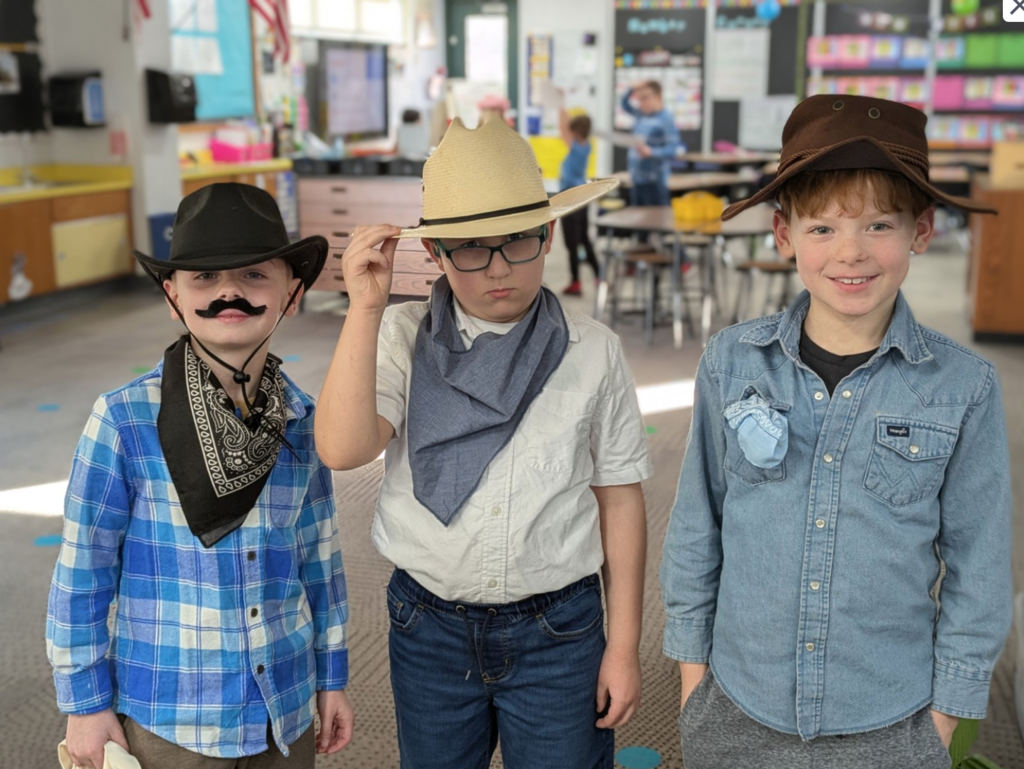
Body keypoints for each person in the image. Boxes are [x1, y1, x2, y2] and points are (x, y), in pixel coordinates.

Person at [661, 94, 1011, 769]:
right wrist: (692, 682)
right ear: (784, 234)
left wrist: (940, 721)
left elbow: (981, 566)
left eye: (879, 224)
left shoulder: (964, 388)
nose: (850, 253)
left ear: (921, 229)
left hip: (890, 720)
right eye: (822, 229)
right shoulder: (730, 361)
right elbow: (696, 527)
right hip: (735, 706)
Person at [315, 114, 652, 769]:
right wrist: (363, 308)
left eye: (518, 241)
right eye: (471, 247)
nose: (498, 269)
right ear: (436, 254)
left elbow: (620, 497)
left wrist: (624, 644)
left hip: (561, 626)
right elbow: (341, 447)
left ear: (549, 234)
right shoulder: (401, 337)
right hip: (429, 623)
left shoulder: (594, 351)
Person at [46, 183, 354, 769]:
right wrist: (84, 703)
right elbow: (83, 568)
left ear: (292, 294)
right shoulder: (125, 420)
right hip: (170, 716)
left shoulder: (305, 419)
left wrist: (331, 674)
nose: (230, 292)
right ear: (173, 296)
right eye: (204, 279)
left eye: (254, 275)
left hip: (281, 711)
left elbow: (321, 556)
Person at [557, 100, 600, 296]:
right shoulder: (586, 146)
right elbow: (567, 128)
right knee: (584, 239)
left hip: (571, 199)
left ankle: (575, 282)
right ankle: (599, 275)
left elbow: (563, 127)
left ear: (575, 131)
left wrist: (560, 105)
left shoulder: (576, 147)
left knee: (571, 244)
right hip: (581, 197)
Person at [620, 80, 681, 207]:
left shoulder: (666, 119)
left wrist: (651, 152)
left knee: (655, 223)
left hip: (655, 182)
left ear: (658, 97)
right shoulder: (640, 114)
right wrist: (632, 88)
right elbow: (624, 103)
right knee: (638, 222)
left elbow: (673, 148)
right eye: (640, 98)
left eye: (646, 97)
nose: (642, 102)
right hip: (636, 179)